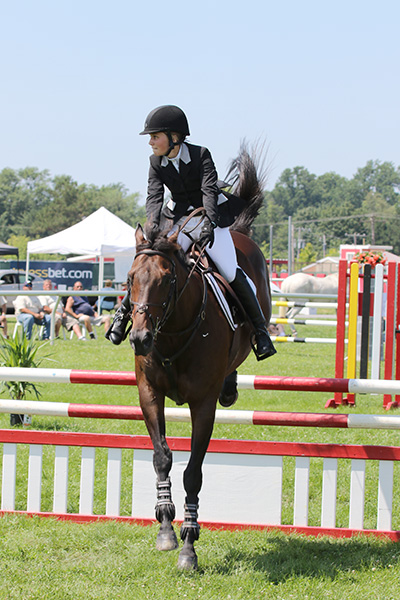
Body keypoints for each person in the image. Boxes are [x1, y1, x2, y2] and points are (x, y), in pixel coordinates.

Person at [106, 104, 276, 361]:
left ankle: (260, 332)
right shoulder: (156, 161)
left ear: (174, 137)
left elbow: (209, 191)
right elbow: (154, 197)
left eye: (155, 136)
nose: (151, 142)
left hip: (210, 216)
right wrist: (153, 226)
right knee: (152, 264)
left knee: (229, 270)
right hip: (178, 220)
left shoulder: (200, 155)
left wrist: (209, 222)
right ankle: (122, 316)